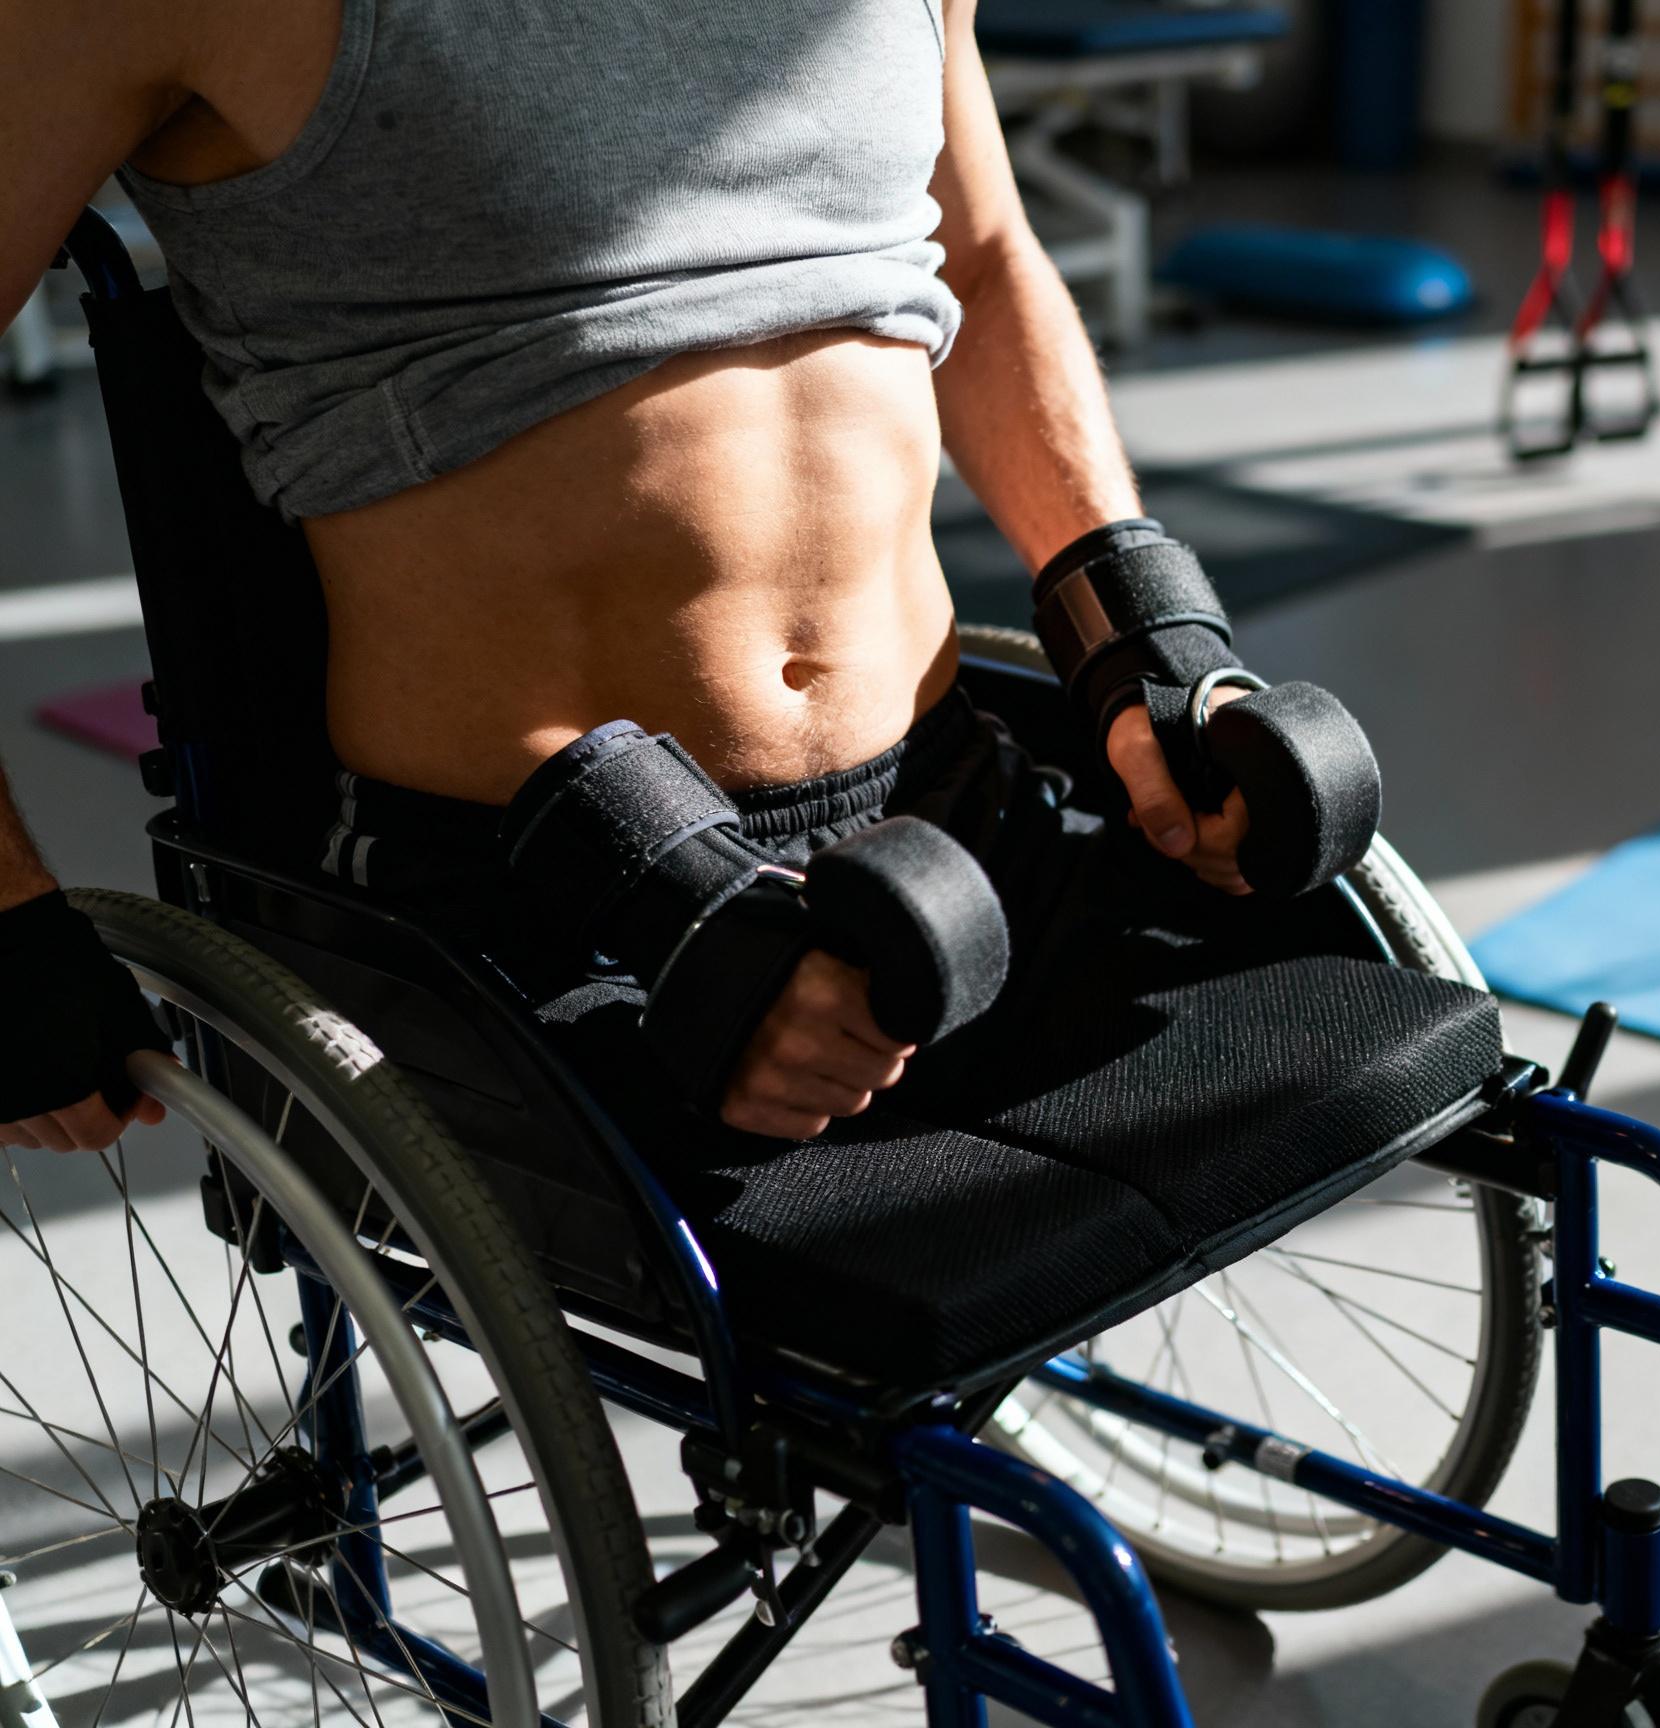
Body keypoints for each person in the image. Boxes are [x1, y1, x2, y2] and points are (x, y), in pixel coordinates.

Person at [0, 0, 1358, 1155]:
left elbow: (986, 267)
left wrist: (1140, 634)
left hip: (950, 820)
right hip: (541, 917)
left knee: (1358, 1037)